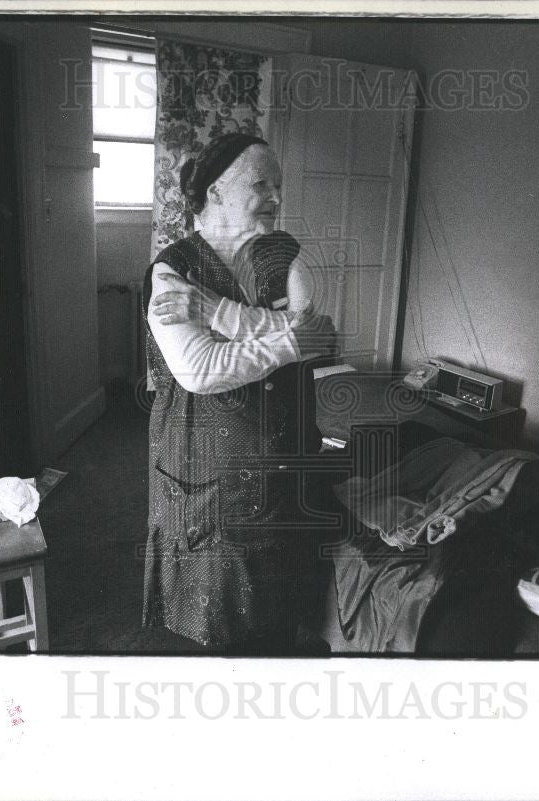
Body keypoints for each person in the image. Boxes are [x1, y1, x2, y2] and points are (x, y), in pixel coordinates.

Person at [142, 132, 337, 652]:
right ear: (215, 193)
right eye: (260, 184)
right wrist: (287, 336)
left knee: (282, 595)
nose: (275, 196)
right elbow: (202, 370)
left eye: (279, 185)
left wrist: (214, 312)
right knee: (221, 606)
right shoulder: (172, 271)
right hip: (212, 460)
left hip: (286, 448)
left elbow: (317, 341)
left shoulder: (286, 256)